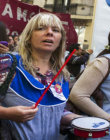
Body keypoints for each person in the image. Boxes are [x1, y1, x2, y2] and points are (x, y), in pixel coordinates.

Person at [0, 12, 79, 140]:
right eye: (41, 28)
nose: (49, 33)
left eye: (55, 30)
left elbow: (53, 112)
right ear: (28, 36)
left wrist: (75, 119)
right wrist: (6, 113)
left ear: (60, 40)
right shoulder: (7, 63)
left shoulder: (62, 75)